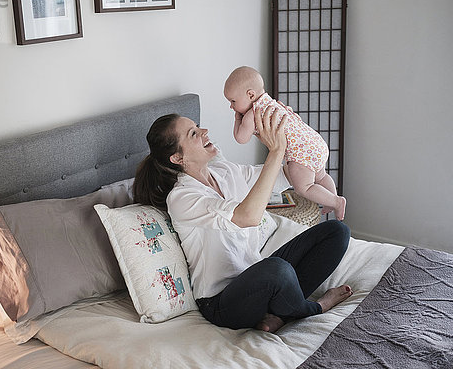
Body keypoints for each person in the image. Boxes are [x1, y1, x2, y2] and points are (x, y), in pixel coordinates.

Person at [133, 107, 353, 332]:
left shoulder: (226, 171)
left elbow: (288, 175)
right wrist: (275, 151)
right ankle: (315, 307)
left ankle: (278, 313)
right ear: (177, 157)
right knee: (278, 269)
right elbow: (248, 217)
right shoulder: (181, 198)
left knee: (336, 231)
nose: (205, 131)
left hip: (255, 277)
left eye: (198, 127)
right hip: (221, 302)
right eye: (193, 133)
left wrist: (296, 137)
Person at [225, 66, 346, 220]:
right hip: (316, 143)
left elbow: (240, 138)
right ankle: (331, 198)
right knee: (321, 177)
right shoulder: (273, 103)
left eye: (233, 101)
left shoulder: (252, 113)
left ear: (250, 94)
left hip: (301, 154)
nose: (231, 106)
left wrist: (237, 119)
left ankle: (336, 201)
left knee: (304, 187)